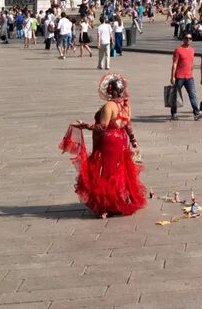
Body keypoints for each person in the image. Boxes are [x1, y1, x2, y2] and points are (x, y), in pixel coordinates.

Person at [59, 73, 147, 218]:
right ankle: (118, 203)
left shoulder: (109, 106)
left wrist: (85, 126)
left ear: (110, 90)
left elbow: (102, 127)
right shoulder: (125, 105)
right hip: (122, 141)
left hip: (109, 142)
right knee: (119, 172)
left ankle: (105, 206)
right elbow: (127, 125)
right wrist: (133, 139)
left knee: (106, 173)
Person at [169, 33, 201, 120]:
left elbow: (191, 64)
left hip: (189, 77)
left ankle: (196, 113)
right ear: (183, 39)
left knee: (193, 95)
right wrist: (172, 76)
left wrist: (191, 72)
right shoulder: (178, 50)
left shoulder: (192, 50)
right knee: (176, 95)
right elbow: (174, 64)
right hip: (179, 76)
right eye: (186, 38)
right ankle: (173, 113)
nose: (188, 40)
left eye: (190, 38)